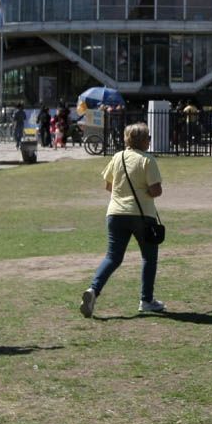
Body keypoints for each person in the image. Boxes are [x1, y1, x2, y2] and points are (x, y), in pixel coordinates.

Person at [80, 123, 165, 318]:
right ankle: (146, 300)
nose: (150, 140)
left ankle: (93, 290)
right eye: (148, 137)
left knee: (113, 257)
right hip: (142, 215)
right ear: (143, 140)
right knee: (148, 257)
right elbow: (156, 191)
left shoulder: (117, 157)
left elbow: (108, 186)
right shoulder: (147, 160)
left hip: (115, 213)